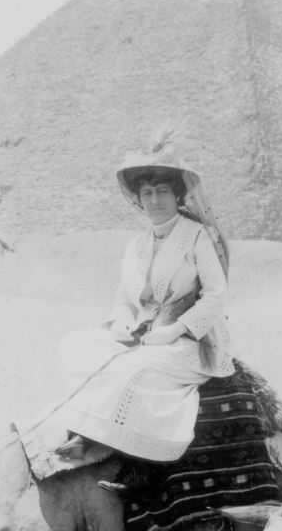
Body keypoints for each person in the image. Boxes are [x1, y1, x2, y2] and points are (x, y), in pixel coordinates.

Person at [53, 140, 234, 468]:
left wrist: (176, 329)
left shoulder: (198, 236)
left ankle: (105, 445)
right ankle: (85, 425)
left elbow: (215, 296)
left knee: (129, 368)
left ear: (178, 195)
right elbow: (124, 299)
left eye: (162, 190)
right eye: (147, 193)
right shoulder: (135, 245)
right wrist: (120, 323)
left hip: (191, 342)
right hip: (142, 336)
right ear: (137, 199)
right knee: (75, 344)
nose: (154, 200)